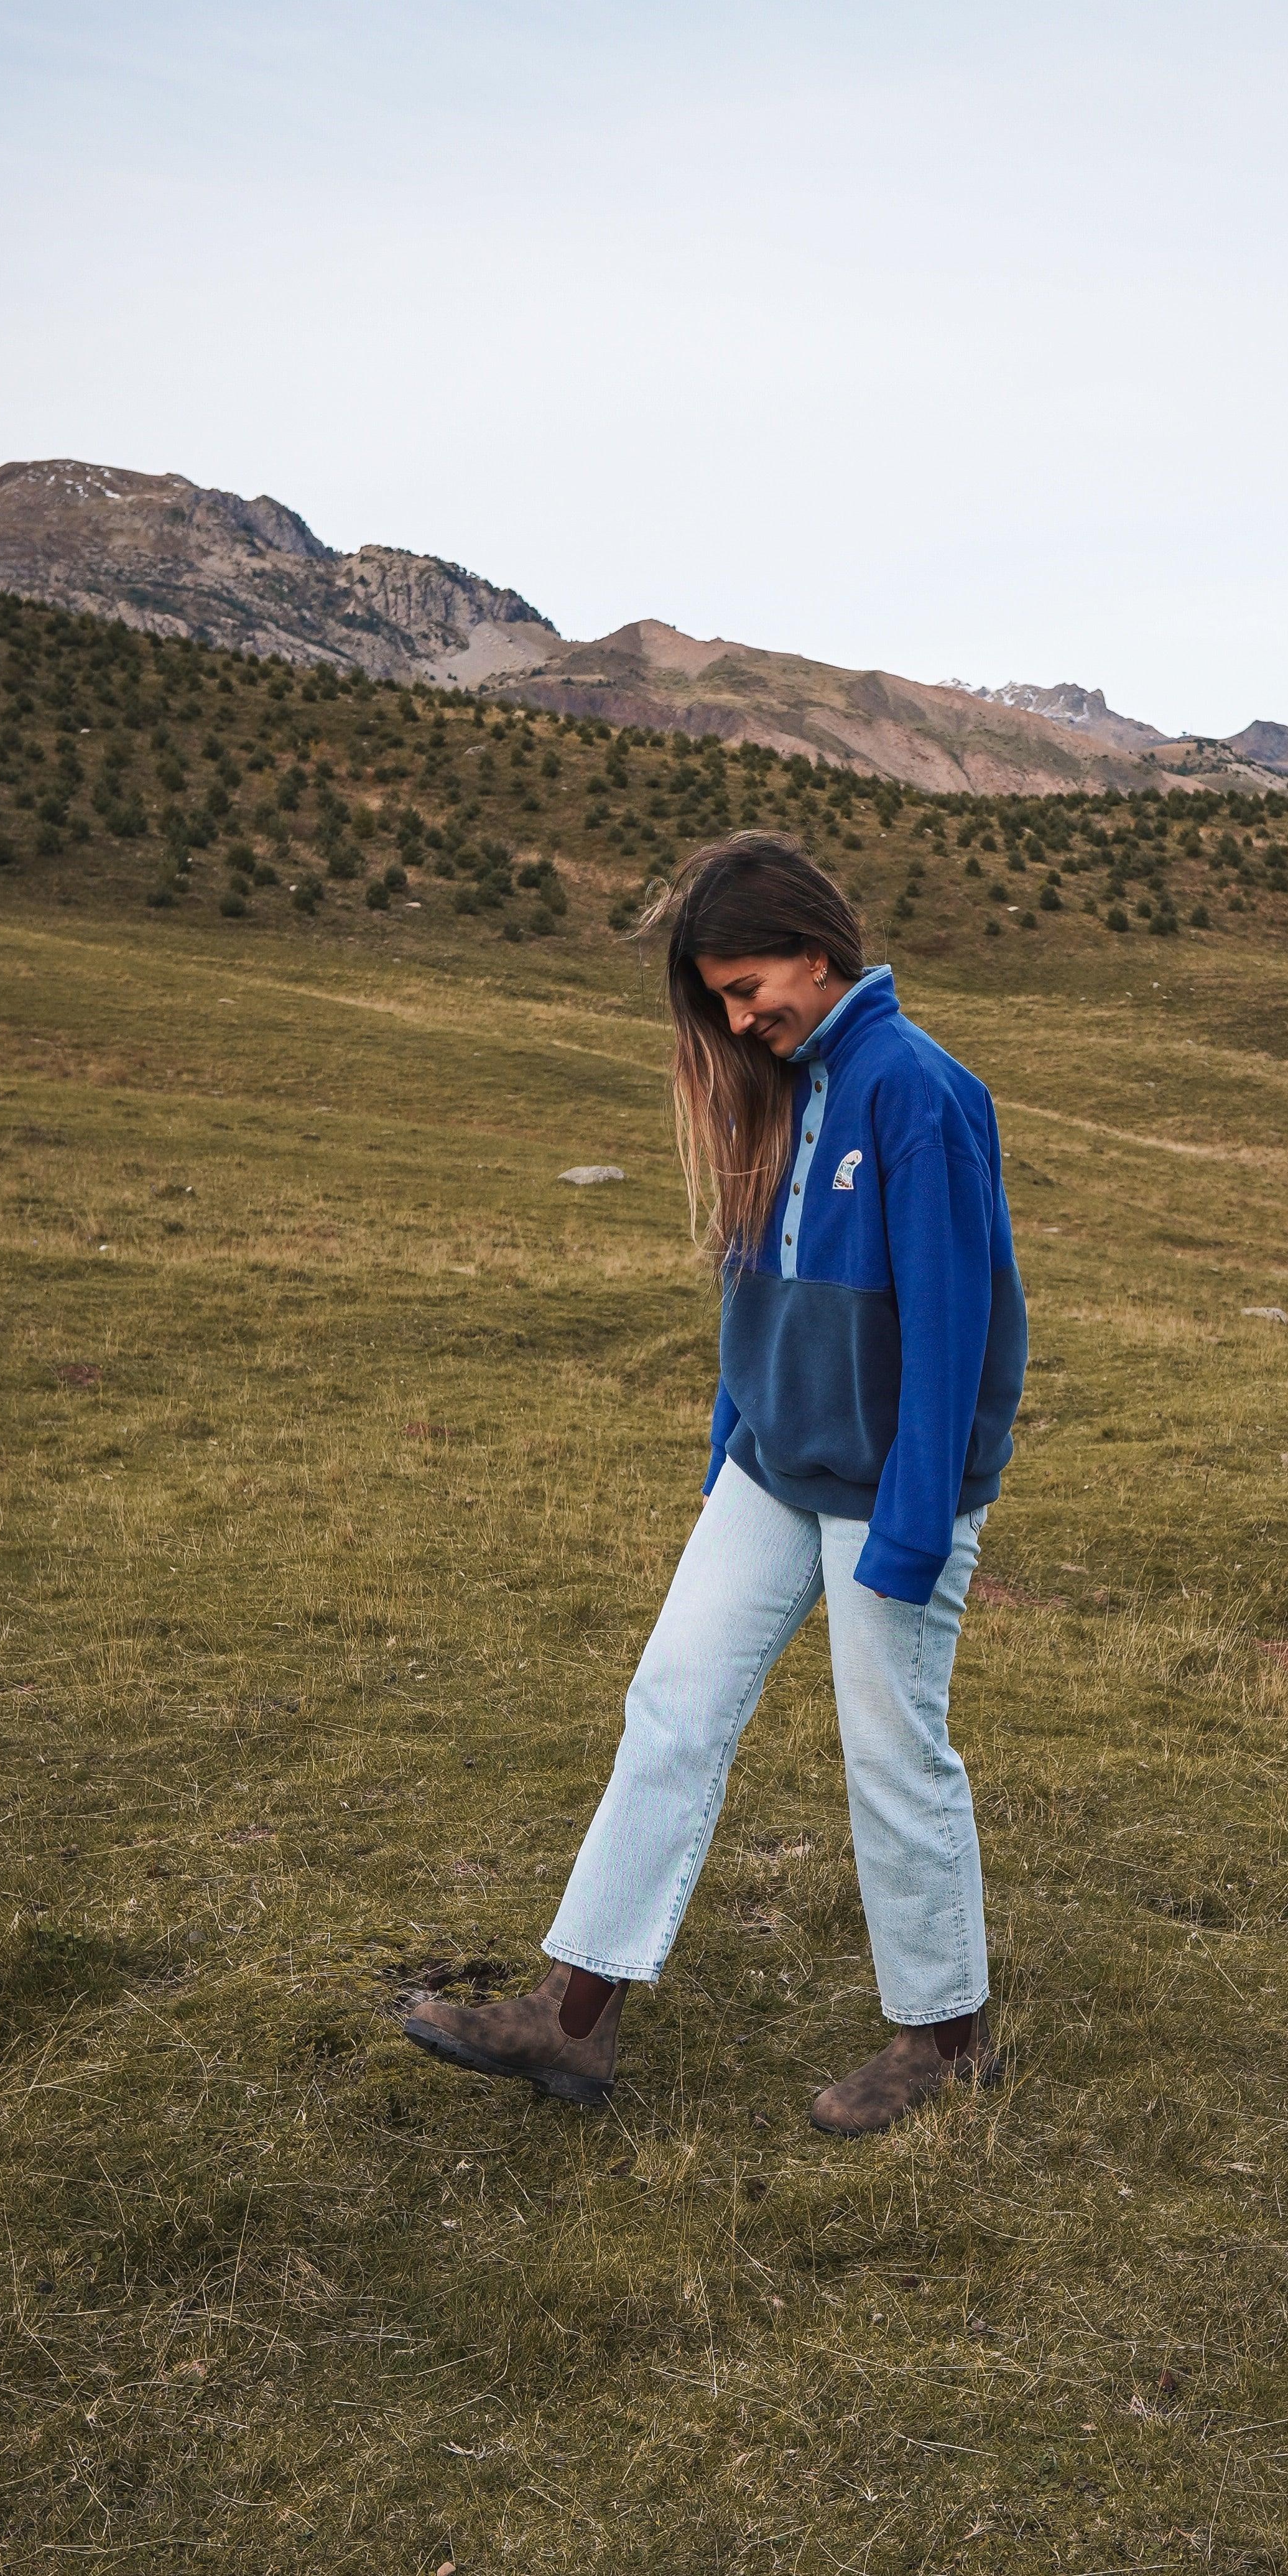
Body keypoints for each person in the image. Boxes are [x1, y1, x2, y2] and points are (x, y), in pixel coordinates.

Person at [401, 830, 1027, 2136]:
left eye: (750, 990)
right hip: (771, 1472)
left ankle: (944, 2035)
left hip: (885, 1498)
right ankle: (572, 2021)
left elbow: (952, 1328)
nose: (743, 1020)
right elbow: (757, 1289)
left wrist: (910, 1530)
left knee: (890, 1752)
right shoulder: (782, 1084)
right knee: (671, 1705)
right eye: (723, 1002)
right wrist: (726, 1433)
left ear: (817, 950)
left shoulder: (918, 1092)